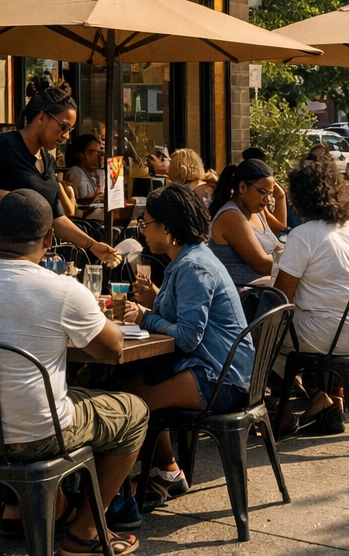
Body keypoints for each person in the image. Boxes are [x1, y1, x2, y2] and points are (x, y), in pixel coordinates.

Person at [0, 190, 146, 555]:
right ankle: (85, 532)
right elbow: (112, 348)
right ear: (49, 240)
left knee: (37, 398)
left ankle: (23, 508)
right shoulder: (62, 289)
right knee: (134, 411)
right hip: (35, 436)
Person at [122, 185, 251, 506]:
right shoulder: (188, 258)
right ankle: (166, 472)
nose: (143, 230)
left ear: (167, 227)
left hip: (221, 379)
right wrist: (154, 302)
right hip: (216, 367)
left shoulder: (193, 266)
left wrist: (145, 318)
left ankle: (121, 491)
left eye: (147, 223)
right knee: (130, 384)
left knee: (129, 404)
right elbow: (186, 319)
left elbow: (189, 336)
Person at [0, 74, 114, 264]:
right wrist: (10, 197)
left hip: (29, 263)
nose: (66, 136)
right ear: (41, 117)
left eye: (70, 130)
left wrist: (92, 245)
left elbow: (56, 218)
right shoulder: (3, 145)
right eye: (63, 127)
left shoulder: (48, 161)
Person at [273, 159, 349, 435]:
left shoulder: (302, 235)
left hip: (327, 335)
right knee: (297, 326)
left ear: (299, 197)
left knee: (258, 337)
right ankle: (321, 401)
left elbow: (281, 297)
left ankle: (275, 410)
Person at [208, 161, 280, 310]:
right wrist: (297, 265)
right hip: (242, 301)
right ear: (242, 187)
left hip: (263, 293)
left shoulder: (257, 211)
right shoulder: (231, 216)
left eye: (270, 193)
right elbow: (262, 264)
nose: (267, 199)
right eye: (262, 192)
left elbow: (278, 246)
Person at [64, 133, 105, 207]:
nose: (99, 156)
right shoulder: (75, 172)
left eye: (100, 153)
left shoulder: (101, 173)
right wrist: (94, 197)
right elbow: (78, 200)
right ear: (80, 155)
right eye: (94, 152)